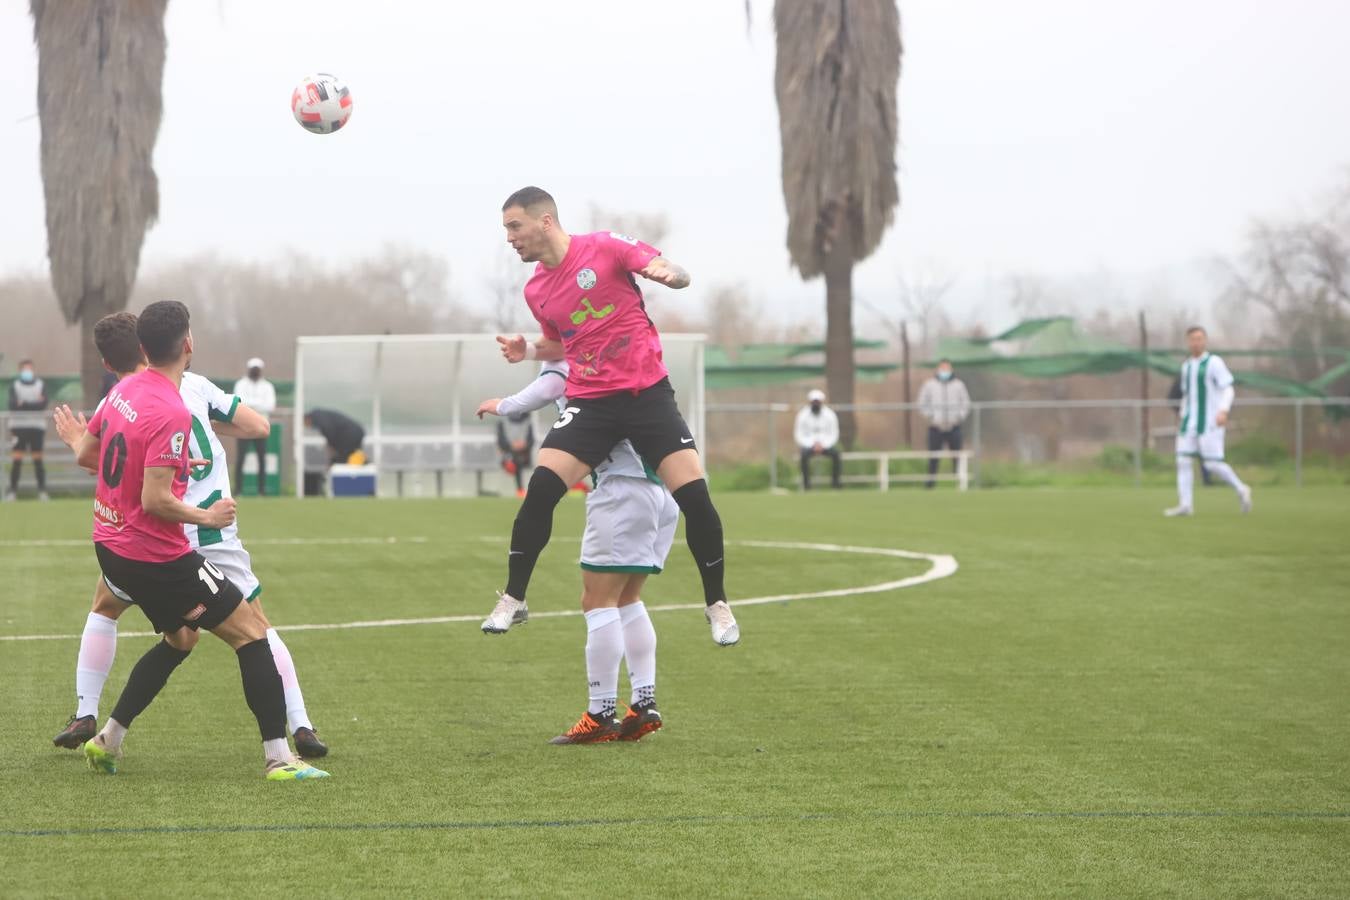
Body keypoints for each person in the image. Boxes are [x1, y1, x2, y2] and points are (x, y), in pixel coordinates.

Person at [67, 300, 327, 781]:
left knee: (180, 638)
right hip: (159, 555)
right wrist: (206, 513)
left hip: (111, 545)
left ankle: (107, 739)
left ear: (140, 350)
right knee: (251, 632)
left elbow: (87, 451)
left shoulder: (122, 392)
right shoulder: (171, 409)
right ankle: (280, 757)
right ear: (188, 344)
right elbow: (156, 500)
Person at [482, 186, 738, 646]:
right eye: (506, 230)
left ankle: (717, 604)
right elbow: (562, 342)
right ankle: (514, 599)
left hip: (646, 395)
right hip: (591, 401)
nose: (510, 238)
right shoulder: (536, 288)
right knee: (541, 487)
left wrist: (667, 273)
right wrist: (529, 351)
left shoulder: (604, 247)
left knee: (696, 497)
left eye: (514, 226)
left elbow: (672, 272)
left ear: (545, 221)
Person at [478, 359, 671, 744]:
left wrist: (501, 404)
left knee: (596, 601)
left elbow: (549, 384)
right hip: (660, 491)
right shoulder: (622, 363)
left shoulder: (577, 362)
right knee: (628, 597)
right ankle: (644, 701)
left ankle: (600, 713)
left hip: (621, 489)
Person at [1165, 326, 1253, 517]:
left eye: (1199, 338)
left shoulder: (1214, 363)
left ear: (1205, 341)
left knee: (1212, 464)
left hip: (1210, 422)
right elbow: (1187, 395)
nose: (1196, 342)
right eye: (1192, 339)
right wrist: (1182, 415)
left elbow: (1228, 389)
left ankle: (1241, 488)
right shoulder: (1186, 366)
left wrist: (1223, 410)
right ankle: (1185, 505)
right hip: (1189, 422)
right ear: (1188, 342)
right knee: (1183, 461)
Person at [917, 359, 971, 489]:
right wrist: (931, 416)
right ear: (938, 369)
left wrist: (959, 416)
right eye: (942, 368)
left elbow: (966, 403)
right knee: (933, 457)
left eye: (947, 369)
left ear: (951, 370)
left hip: (954, 426)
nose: (944, 371)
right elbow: (921, 403)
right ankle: (930, 484)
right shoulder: (929, 385)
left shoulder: (959, 385)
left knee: (957, 456)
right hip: (936, 427)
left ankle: (960, 483)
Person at [6, 358, 49, 501]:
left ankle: (42, 491)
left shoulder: (40, 384)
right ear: (20, 371)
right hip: (18, 427)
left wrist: (23, 403)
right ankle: (12, 492)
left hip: (37, 427)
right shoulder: (15, 385)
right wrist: (34, 403)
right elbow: (12, 405)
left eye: (29, 369)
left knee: (38, 460)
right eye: (25, 369)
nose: (27, 372)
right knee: (17, 460)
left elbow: (42, 405)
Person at [233, 357, 276, 495]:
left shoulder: (267, 386)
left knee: (261, 458)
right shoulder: (241, 384)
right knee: (240, 458)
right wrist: (257, 405)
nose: (255, 372)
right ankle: (238, 489)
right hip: (243, 426)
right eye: (253, 369)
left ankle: (261, 490)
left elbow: (270, 406)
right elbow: (238, 402)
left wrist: (250, 405)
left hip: (261, 427)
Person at [794, 389, 842, 490]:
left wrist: (823, 445)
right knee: (803, 456)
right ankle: (806, 485)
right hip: (809, 446)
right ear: (810, 402)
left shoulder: (830, 415)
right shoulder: (802, 415)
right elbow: (799, 434)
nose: (816, 404)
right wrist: (812, 444)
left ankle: (836, 484)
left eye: (817, 402)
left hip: (826, 445)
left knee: (836, 455)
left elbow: (834, 433)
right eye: (814, 402)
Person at [496, 411, 535, 497]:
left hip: (523, 456)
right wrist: (511, 446)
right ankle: (520, 490)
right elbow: (500, 441)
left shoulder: (528, 423)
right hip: (506, 455)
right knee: (514, 461)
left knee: (518, 461)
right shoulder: (502, 422)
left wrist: (523, 445)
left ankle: (520, 490)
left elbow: (531, 441)